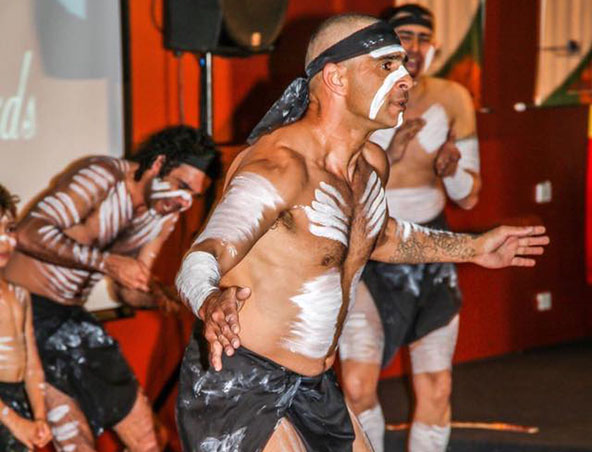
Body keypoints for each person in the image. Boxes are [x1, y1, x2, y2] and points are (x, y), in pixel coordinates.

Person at [174, 14, 548, 452]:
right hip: (242, 384)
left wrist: (474, 247)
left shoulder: (370, 164)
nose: (406, 77)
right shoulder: (279, 167)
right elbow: (202, 257)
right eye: (387, 65)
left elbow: (382, 237)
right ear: (335, 78)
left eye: (404, 64)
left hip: (314, 385)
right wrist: (210, 299)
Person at [5, 126, 220, 452]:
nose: (183, 201)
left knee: (149, 438)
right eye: (180, 186)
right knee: (76, 441)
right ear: (158, 163)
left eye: (193, 196)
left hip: (71, 318)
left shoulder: (162, 215)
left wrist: (159, 296)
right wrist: (108, 263)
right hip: (26, 315)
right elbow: (29, 233)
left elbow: (126, 292)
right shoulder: (102, 175)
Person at [338, 5, 481, 451]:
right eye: (405, 36)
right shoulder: (355, 97)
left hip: (430, 248)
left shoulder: (454, 97)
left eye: (423, 37)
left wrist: (451, 169)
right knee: (358, 387)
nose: (414, 46)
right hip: (370, 244)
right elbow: (332, 184)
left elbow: (470, 196)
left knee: (436, 386)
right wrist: (389, 158)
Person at [0, 184, 52, 451]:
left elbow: (32, 361)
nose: (5, 241)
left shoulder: (19, 294)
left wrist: (40, 416)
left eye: (9, 229)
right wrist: (13, 421)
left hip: (18, 399)